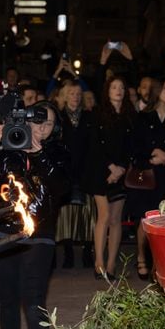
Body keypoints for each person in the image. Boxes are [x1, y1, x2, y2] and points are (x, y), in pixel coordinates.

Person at [0, 102, 68, 329]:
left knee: (33, 299)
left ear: (55, 128)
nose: (41, 128)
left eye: (48, 123)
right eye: (37, 121)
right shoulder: (6, 147)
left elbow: (61, 187)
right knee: (7, 299)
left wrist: (39, 155)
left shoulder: (57, 152)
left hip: (39, 234)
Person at [127, 78, 165, 279]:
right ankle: (142, 259)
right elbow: (134, 147)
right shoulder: (144, 117)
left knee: (164, 219)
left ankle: (159, 263)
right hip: (147, 177)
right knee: (145, 218)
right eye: (164, 87)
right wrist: (153, 156)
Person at [83, 75, 133, 280]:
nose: (118, 90)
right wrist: (111, 168)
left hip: (121, 172)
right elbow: (95, 144)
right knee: (103, 216)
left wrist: (120, 169)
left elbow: (131, 145)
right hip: (100, 171)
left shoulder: (130, 115)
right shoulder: (97, 113)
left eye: (121, 86)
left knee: (116, 220)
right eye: (114, 87)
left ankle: (111, 264)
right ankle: (99, 263)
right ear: (107, 90)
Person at [53, 80, 95, 270]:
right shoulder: (58, 118)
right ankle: (68, 254)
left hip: (86, 172)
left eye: (78, 94)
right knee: (66, 217)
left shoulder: (89, 117)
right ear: (65, 96)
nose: (75, 97)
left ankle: (87, 253)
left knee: (87, 215)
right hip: (66, 173)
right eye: (71, 94)